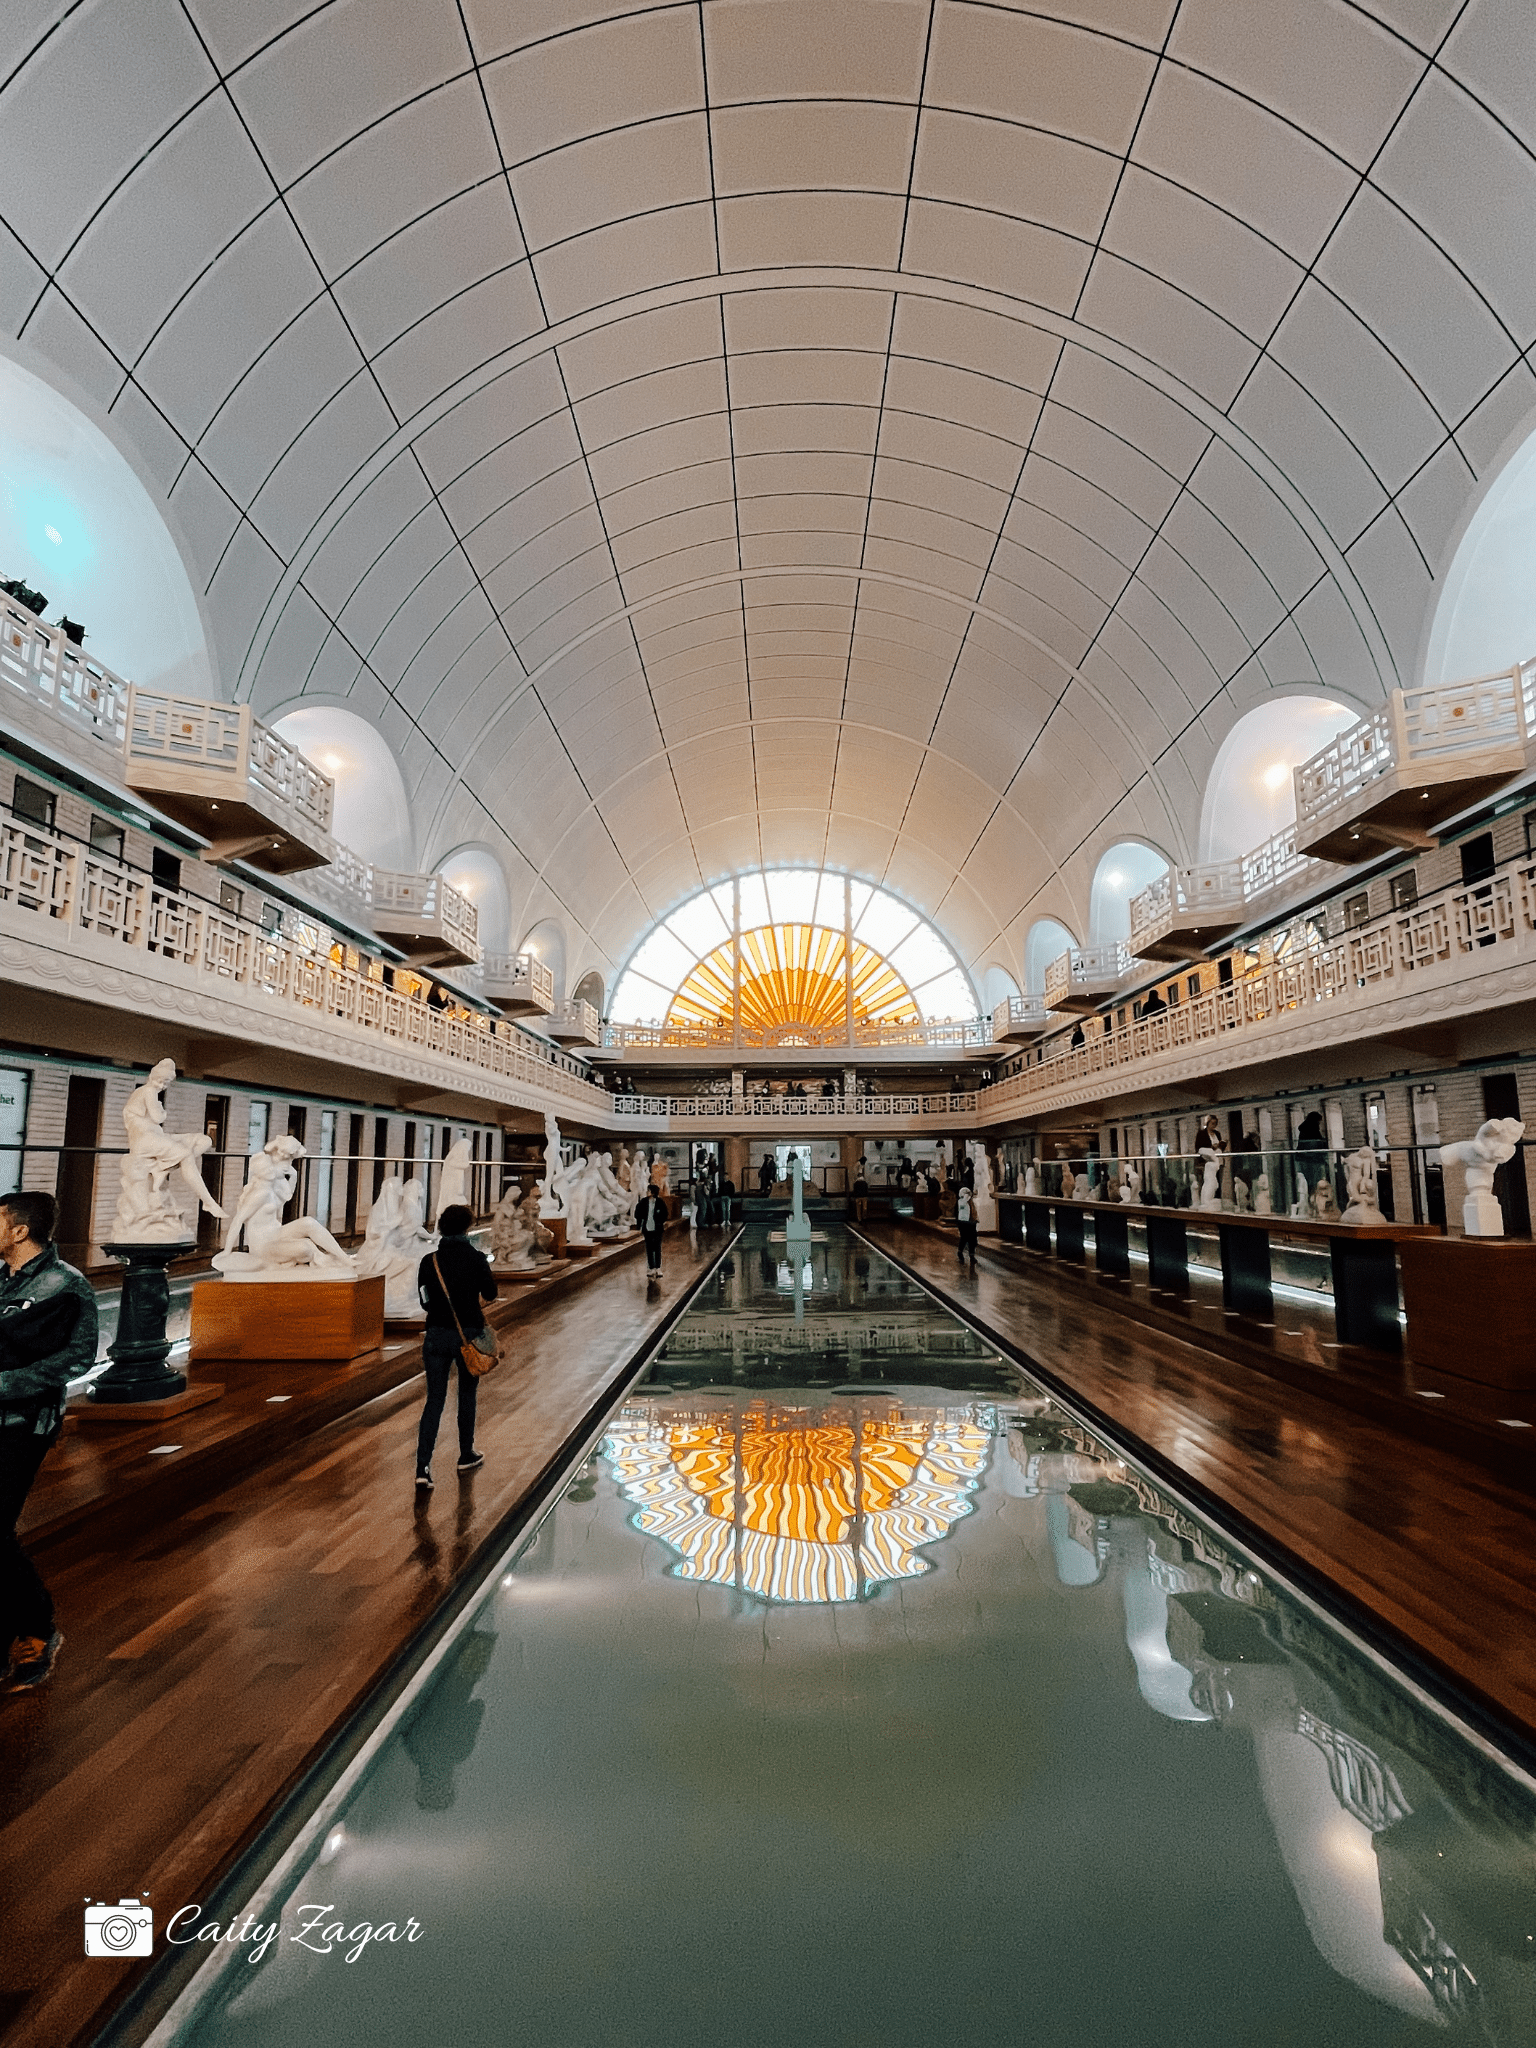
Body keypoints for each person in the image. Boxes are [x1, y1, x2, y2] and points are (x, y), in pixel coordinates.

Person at [0, 1190, 98, 1692]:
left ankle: (39, 1632)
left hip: (22, 1425)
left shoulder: (64, 1286)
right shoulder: (3, 1280)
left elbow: (73, 1361)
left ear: (20, 1231)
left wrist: (3, 1387)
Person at [414, 1203, 497, 1490]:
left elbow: (424, 1299)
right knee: (466, 1394)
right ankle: (465, 1454)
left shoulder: (429, 1261)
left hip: (436, 1334)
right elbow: (491, 1293)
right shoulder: (476, 1258)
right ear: (468, 1227)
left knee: (433, 1401)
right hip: (468, 1334)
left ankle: (423, 1467)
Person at [638, 1182, 666, 1277]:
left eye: (649, 1190)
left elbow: (665, 1214)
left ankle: (658, 1268)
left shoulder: (660, 1202)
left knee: (657, 1248)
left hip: (657, 1229)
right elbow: (637, 1212)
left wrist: (659, 1221)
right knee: (649, 1248)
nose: (647, 1192)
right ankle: (651, 1268)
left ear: (653, 1192)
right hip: (647, 1228)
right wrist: (640, 1222)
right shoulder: (643, 1201)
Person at [956, 1181, 978, 1269]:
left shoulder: (971, 1203)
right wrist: (965, 1197)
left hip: (971, 1222)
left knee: (972, 1239)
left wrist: (975, 1220)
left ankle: (972, 1255)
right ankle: (960, 1252)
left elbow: (974, 1212)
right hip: (963, 1222)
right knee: (964, 1238)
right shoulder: (961, 1202)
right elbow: (962, 1205)